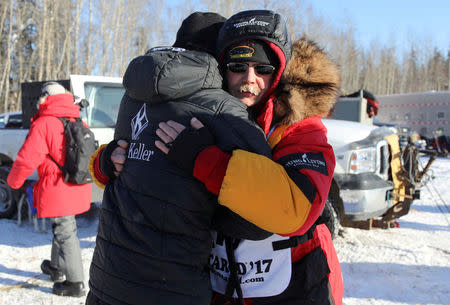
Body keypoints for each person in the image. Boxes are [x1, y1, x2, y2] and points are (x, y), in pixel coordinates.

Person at [153, 10, 345, 305]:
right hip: (222, 283)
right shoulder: (209, 111)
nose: (249, 79)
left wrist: (205, 160)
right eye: (238, 66)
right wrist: (108, 162)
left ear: (278, 72)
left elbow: (295, 207)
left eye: (262, 69)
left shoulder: (300, 127)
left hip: (297, 280)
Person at [86, 12, 274, 305]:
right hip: (171, 289)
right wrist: (210, 206)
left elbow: (126, 165)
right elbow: (262, 218)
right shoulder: (224, 110)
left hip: (107, 281)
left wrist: (106, 160)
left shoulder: (136, 93)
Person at [7, 82, 91, 297]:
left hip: (57, 186)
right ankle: (56, 268)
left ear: (46, 98)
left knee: (65, 231)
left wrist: (13, 183)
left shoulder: (45, 123)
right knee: (61, 227)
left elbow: (26, 160)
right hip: (76, 183)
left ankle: (75, 283)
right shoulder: (76, 118)